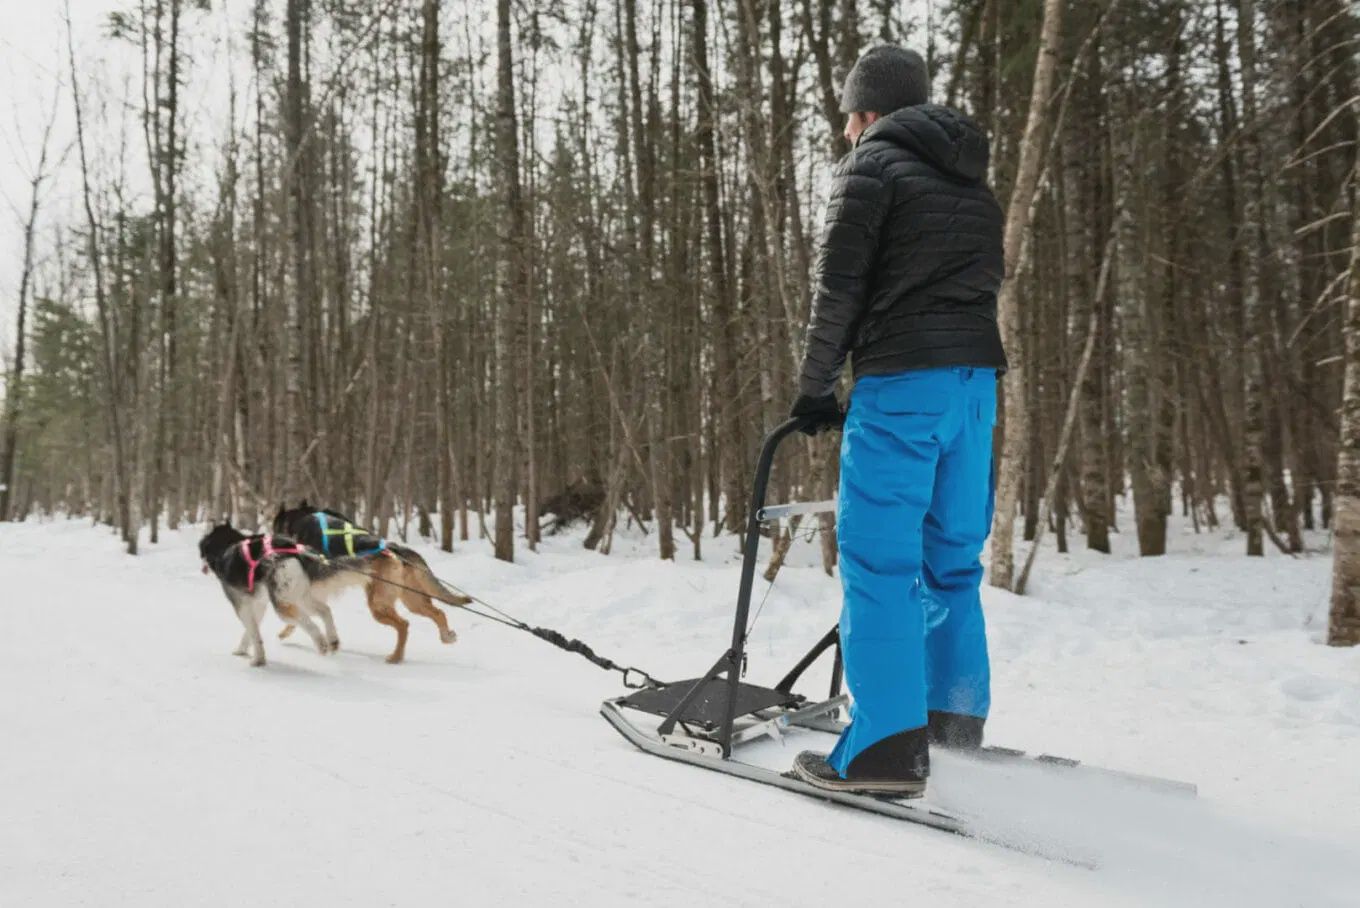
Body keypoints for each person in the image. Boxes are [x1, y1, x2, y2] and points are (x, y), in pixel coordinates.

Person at [788, 45, 1007, 796]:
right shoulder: (973, 182)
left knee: (880, 562)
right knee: (953, 560)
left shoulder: (868, 169)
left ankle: (883, 746)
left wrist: (815, 389)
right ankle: (951, 718)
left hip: (904, 384)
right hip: (975, 388)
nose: (848, 130)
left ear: (868, 112)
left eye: (851, 116)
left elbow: (835, 293)